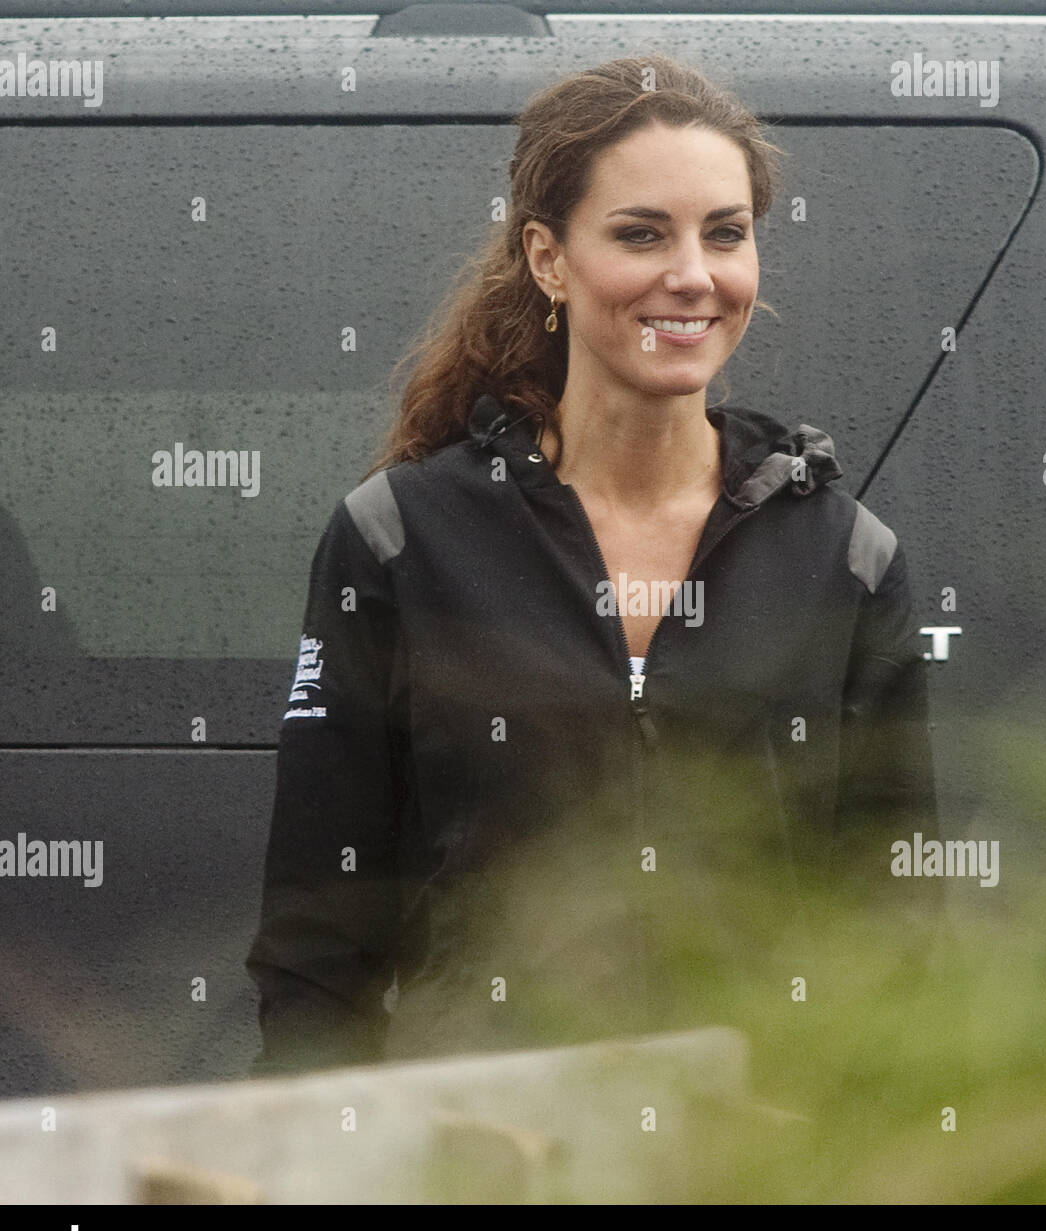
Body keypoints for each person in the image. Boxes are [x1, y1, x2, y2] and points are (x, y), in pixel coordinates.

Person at [245, 53, 940, 1078]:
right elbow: (318, 944)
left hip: (757, 1155)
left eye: (726, 233)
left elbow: (898, 936)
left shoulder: (846, 555)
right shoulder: (398, 536)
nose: (693, 275)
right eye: (640, 232)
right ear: (547, 257)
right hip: (483, 1153)